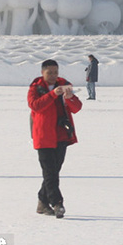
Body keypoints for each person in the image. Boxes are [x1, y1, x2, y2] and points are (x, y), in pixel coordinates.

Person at [28, 59, 82, 218]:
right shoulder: (36, 88)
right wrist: (53, 94)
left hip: (61, 135)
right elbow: (35, 105)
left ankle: (42, 202)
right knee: (50, 173)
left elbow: (77, 108)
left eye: (55, 72)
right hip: (43, 136)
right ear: (42, 73)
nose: (53, 75)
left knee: (53, 171)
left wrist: (70, 97)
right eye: (49, 72)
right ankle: (57, 203)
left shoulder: (65, 85)